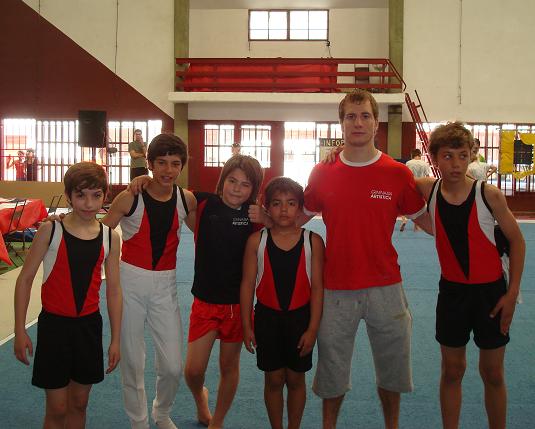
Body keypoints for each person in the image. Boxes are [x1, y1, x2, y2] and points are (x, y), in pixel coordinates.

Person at [300, 89, 430, 429]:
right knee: (332, 369)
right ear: (341, 124)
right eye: (351, 116)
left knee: (393, 368)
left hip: (386, 285)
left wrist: (479, 222)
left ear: (376, 123)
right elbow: (294, 217)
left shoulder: (397, 173)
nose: (358, 122)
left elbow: (430, 223)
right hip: (336, 287)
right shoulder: (322, 172)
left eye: (365, 116)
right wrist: (257, 220)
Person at [129, 154, 264, 429]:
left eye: (245, 184)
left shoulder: (254, 216)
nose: (237, 189)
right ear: (222, 180)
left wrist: (267, 219)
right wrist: (144, 180)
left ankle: (218, 421)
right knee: (192, 370)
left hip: (237, 306)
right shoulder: (201, 202)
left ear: (254, 189)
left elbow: (286, 224)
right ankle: (201, 398)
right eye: (232, 181)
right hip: (205, 303)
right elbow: (166, 188)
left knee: (229, 366)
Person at [415, 122, 525, 429]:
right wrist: (340, 152)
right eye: (447, 156)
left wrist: (512, 294)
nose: (455, 164)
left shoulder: (488, 194)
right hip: (452, 293)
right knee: (452, 370)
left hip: (491, 294)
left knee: (493, 373)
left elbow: (517, 242)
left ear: (471, 157)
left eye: (462, 156)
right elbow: (384, 174)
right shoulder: (427, 188)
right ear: (434, 158)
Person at [13, 161, 122, 428]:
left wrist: (116, 339)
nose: (89, 203)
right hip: (54, 328)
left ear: (105, 196)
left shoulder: (110, 237)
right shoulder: (51, 230)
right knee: (57, 408)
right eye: (81, 195)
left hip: (88, 328)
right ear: (68, 195)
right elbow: (25, 279)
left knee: (79, 403)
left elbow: (114, 290)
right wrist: (20, 329)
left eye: (96, 195)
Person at [104, 133, 195, 429]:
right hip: (130, 281)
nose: (168, 170)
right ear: (150, 163)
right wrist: (64, 223)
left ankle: (162, 412)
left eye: (175, 163)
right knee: (132, 360)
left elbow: (211, 234)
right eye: (161, 163)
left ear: (182, 166)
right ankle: (139, 421)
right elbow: (98, 235)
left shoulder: (186, 199)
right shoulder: (130, 197)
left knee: (172, 366)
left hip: (166, 285)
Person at [240, 177, 324, 429]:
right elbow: (247, 284)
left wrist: (313, 329)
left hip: (300, 320)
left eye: (291, 203)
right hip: (267, 319)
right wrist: (247, 325)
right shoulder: (257, 241)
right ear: (267, 208)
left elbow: (318, 288)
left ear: (300, 208)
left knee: (296, 380)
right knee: (274, 379)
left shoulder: (313, 241)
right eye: (276, 203)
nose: (284, 209)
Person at [400, 148, 431, 232]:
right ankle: (416, 226)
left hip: (410, 185)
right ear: (420, 155)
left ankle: (404, 220)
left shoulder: (408, 163)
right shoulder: (425, 164)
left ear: (412, 155)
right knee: (419, 206)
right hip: (420, 186)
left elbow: (405, 175)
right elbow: (427, 177)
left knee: (404, 205)